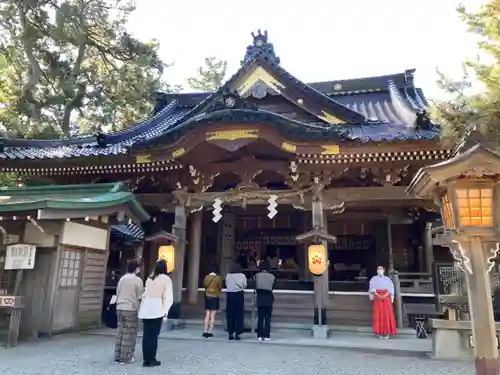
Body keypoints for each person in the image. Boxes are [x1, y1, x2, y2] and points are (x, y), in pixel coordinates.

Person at [138, 259, 173, 367]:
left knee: (146, 334)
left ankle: (146, 359)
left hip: (146, 307)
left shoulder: (150, 278)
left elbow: (144, 294)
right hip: (157, 308)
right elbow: (168, 297)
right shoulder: (166, 279)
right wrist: (165, 311)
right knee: (153, 335)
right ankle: (152, 358)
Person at [114, 259, 144, 364]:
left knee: (120, 331)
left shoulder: (122, 279)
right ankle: (126, 356)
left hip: (119, 306)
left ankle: (117, 356)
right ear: (136, 268)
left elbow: (117, 292)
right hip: (130, 308)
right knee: (129, 333)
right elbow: (140, 296)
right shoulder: (138, 280)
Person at [368, 265, 397, 339]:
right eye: (378, 269)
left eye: (381, 269)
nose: (380, 270)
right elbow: (372, 289)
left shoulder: (388, 279)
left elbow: (391, 289)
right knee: (378, 316)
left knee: (387, 315)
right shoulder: (373, 279)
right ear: (377, 271)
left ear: (384, 270)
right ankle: (379, 332)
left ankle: (387, 333)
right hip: (377, 299)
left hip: (386, 299)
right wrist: (377, 295)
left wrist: (385, 295)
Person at [254, 260, 276, 341]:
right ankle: (267, 335)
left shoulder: (256, 276)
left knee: (260, 317)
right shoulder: (272, 276)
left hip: (260, 297)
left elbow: (255, 285)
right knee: (268, 318)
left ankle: (260, 335)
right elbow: (273, 287)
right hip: (269, 297)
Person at [225, 263, 247, 340]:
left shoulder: (228, 275)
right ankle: (237, 333)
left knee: (230, 314)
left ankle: (230, 332)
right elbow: (244, 285)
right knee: (239, 314)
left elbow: (226, 284)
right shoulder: (242, 276)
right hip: (239, 295)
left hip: (230, 295)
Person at [203, 264, 222, 338]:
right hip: (215, 297)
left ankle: (205, 330)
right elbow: (220, 287)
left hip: (207, 296)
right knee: (213, 315)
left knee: (207, 314)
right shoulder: (218, 278)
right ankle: (210, 331)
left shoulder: (206, 277)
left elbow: (204, 285)